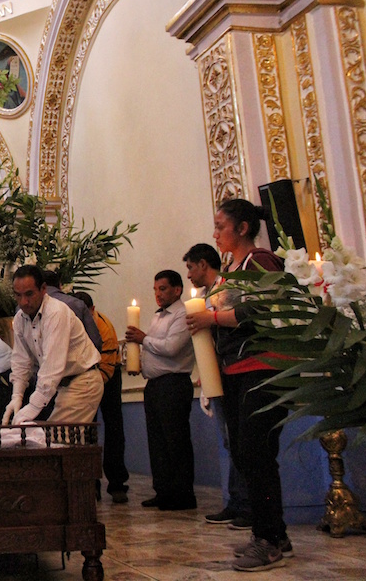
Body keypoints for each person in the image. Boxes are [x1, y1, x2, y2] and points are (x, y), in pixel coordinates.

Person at [186, 199, 290, 572]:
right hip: (236, 370)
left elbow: (259, 310)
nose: (215, 234)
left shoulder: (261, 262)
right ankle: (274, 533)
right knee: (247, 454)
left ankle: (268, 540)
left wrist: (211, 318)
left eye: (220, 226)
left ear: (242, 228)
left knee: (256, 453)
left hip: (262, 368)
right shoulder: (232, 270)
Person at [183, 243, 252, 530]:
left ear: (203, 264)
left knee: (240, 440)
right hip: (220, 371)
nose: (189, 274)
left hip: (237, 368)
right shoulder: (205, 296)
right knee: (229, 440)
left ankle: (247, 505)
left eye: (190, 267)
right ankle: (236, 501)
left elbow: (238, 321)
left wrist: (208, 319)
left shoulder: (227, 287)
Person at [125, 270, 196, 512]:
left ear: (177, 290)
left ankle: (182, 495)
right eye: (155, 289)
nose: (158, 294)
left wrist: (143, 339)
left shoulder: (182, 313)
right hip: (155, 385)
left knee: (175, 440)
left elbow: (172, 348)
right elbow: (152, 349)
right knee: (157, 441)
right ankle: (163, 491)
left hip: (173, 384)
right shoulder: (158, 316)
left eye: (163, 289)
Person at [3, 266, 102, 425]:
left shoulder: (56, 312)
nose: (23, 302)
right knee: (52, 437)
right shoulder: (20, 318)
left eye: (29, 294)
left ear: (43, 289)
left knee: (59, 438)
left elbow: (52, 367)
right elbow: (21, 362)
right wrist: (16, 397)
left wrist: (32, 407)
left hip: (83, 381)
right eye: (18, 295)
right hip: (62, 385)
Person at [75, 291, 129, 504]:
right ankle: (91, 482)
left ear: (93, 310)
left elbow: (106, 368)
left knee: (114, 427)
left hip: (108, 376)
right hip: (84, 377)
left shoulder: (104, 328)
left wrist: (91, 388)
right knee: (87, 430)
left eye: (85, 314)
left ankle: (117, 483)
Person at [44, 269, 103, 351]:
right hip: (79, 357)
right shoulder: (77, 304)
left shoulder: (30, 306)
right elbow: (95, 341)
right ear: (60, 285)